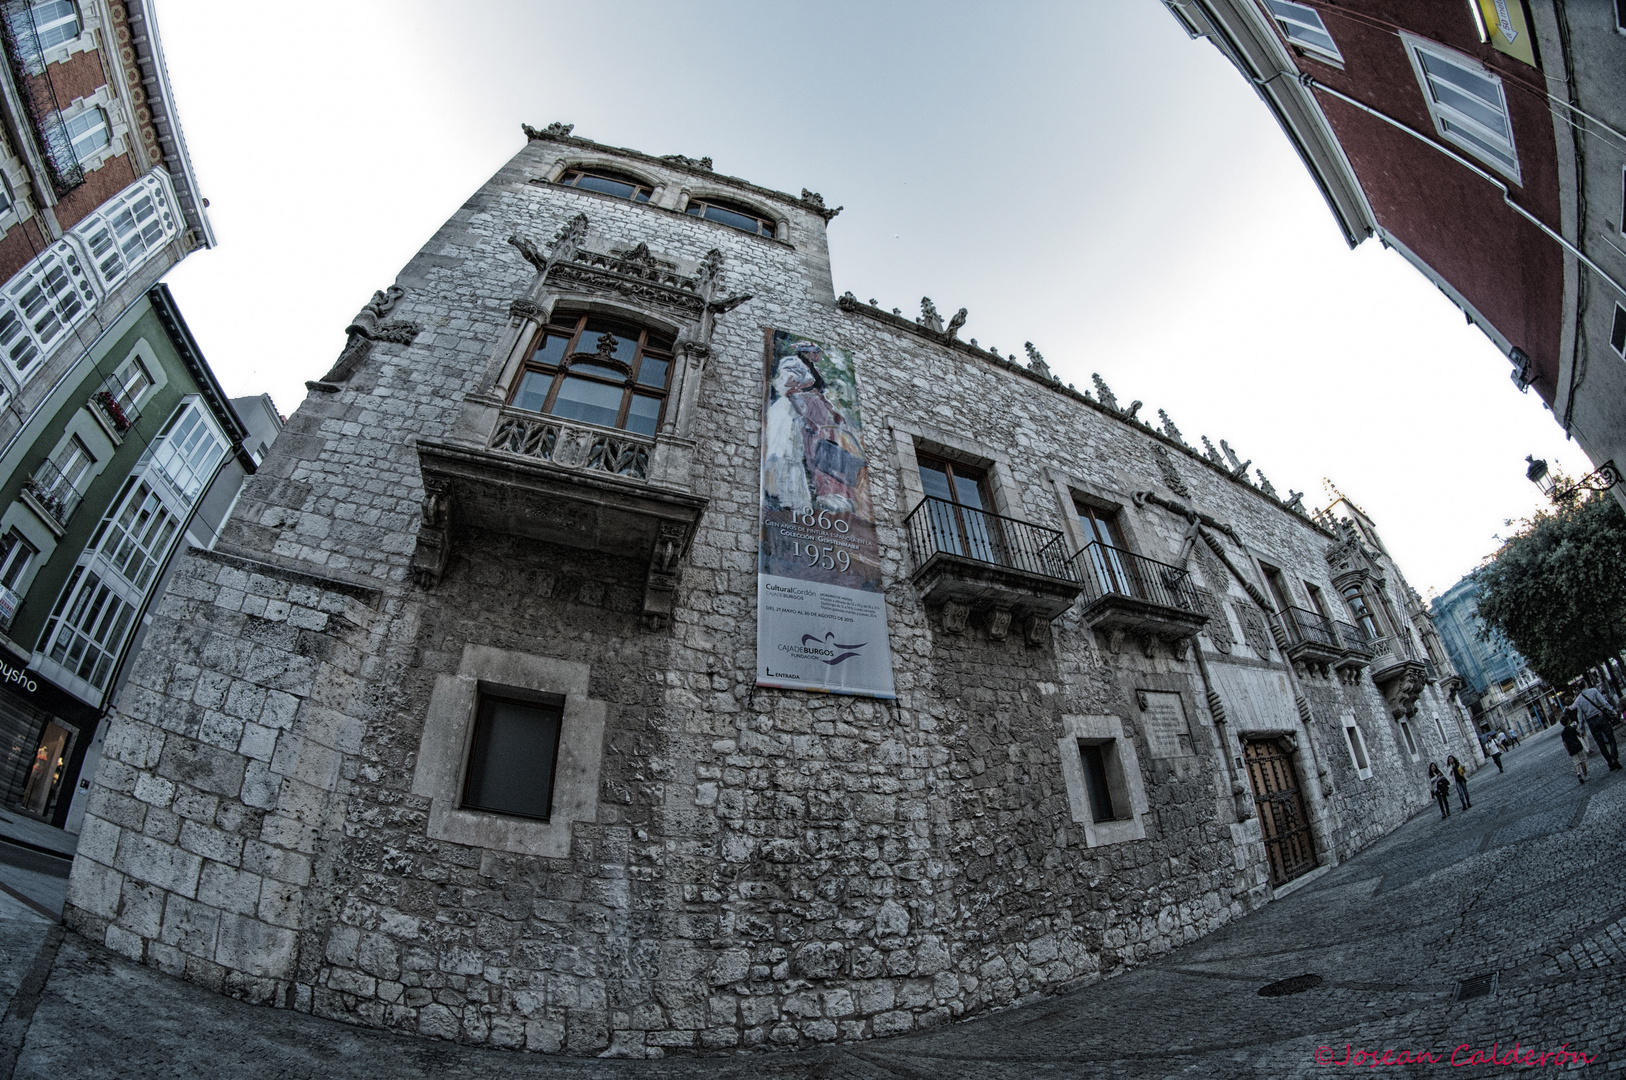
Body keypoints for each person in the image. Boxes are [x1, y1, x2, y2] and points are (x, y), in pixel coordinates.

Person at [1574, 682, 1623, 771]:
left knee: (1601, 744)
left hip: (1591, 722)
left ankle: (1610, 763)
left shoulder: (1579, 699)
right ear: (1586, 685)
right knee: (1611, 738)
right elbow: (1604, 703)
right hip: (1600, 717)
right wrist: (1612, 711)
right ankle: (1614, 758)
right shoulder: (1594, 691)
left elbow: (1580, 716)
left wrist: (1581, 728)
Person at [1560, 717, 1589, 784]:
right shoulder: (1572, 729)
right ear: (1568, 721)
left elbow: (1564, 743)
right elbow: (1579, 735)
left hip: (1571, 749)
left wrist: (1568, 750)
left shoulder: (1563, 733)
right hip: (1578, 746)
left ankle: (1578, 773)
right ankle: (1585, 775)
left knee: (1576, 763)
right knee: (1582, 761)